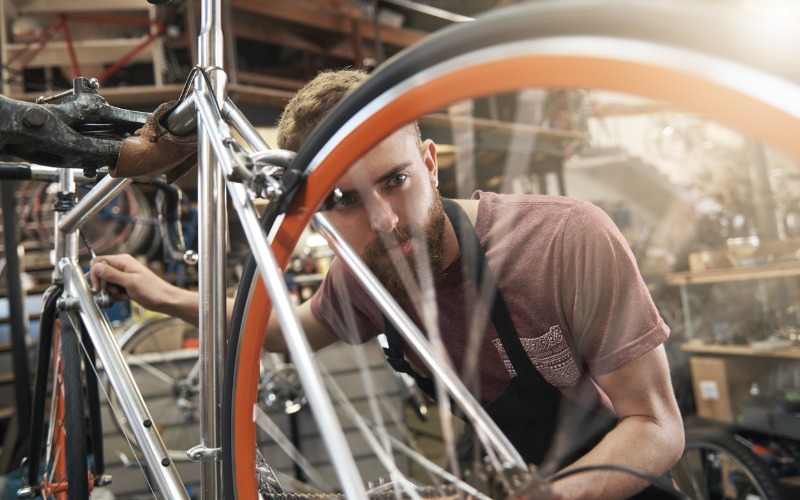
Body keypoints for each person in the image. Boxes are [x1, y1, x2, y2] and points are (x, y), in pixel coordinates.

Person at [91, 69, 684, 499]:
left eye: (395, 180)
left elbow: (656, 428)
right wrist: (164, 296)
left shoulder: (562, 241)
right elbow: (285, 329)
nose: (382, 221)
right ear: (314, 213)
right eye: (343, 200)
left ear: (429, 162)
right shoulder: (365, 277)